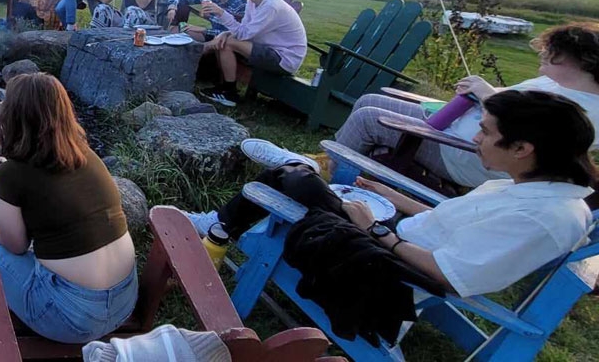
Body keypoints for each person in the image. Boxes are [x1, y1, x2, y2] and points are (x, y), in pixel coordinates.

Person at [187, 91, 595, 342]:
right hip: (399, 242)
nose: (475, 138)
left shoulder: (545, 217)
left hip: (387, 275)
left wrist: (376, 229)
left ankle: (231, 218)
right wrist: (388, 194)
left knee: (289, 181)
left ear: (523, 146)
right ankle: (260, 199)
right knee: (301, 184)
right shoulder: (533, 185)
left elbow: (448, 275)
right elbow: (454, 218)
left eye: (486, 131)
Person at [0, 73, 137, 343]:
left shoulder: (12, 175)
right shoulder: (85, 154)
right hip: (124, 301)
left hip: (71, 319)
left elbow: (14, 245)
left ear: (11, 116)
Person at [336, 22, 599, 189]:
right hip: (455, 129)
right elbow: (514, 101)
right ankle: (340, 162)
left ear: (583, 62)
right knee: (369, 100)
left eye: (554, 53)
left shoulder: (588, 110)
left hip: (468, 154)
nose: (543, 54)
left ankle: (336, 182)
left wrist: (486, 94)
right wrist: (480, 90)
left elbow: (526, 132)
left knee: (367, 119)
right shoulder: (556, 83)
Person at [200, 0, 307, 107]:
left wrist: (221, 13)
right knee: (227, 41)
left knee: (228, 43)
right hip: (269, 49)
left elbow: (244, 35)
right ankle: (226, 88)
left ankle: (230, 93)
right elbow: (244, 30)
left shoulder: (271, 7)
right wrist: (224, 34)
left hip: (284, 58)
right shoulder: (253, 1)